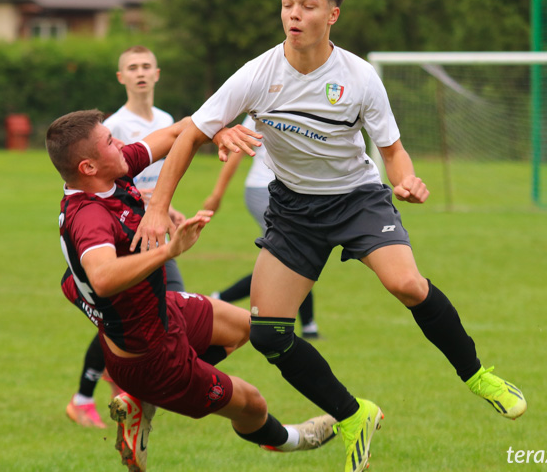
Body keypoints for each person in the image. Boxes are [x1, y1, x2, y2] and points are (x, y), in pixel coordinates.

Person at [133, 0, 527, 472]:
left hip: (357, 199)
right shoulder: (257, 74)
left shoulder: (359, 77)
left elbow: (392, 151)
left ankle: (478, 375)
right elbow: (190, 135)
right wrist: (157, 207)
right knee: (269, 334)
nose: (293, 14)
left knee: (406, 285)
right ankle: (352, 414)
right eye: (287, 4)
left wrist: (405, 179)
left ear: (332, 15)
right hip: (294, 210)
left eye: (308, 5)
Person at [46, 110, 337, 472]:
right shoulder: (88, 215)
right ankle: (291, 440)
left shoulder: (112, 173)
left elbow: (178, 132)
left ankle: (141, 402)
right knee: (253, 404)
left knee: (252, 327)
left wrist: (216, 132)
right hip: (150, 358)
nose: (120, 142)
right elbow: (102, 277)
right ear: (88, 167)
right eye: (109, 141)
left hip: (162, 312)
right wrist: (169, 250)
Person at [65, 46, 187, 428]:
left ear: (157, 73)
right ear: (121, 77)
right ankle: (108, 394)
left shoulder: (166, 119)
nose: (139, 72)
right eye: (131, 67)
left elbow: (154, 181)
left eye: (146, 66)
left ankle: (126, 394)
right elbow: (111, 187)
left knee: (136, 319)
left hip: (149, 230)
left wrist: (163, 209)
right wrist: (148, 204)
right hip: (121, 237)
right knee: (134, 318)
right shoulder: (112, 128)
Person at [203, 115, 319, 339]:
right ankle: (219, 301)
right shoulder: (262, 104)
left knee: (293, 255)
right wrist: (217, 194)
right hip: (262, 190)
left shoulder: (308, 101)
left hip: (292, 193)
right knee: (293, 253)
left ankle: (308, 326)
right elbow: (235, 153)